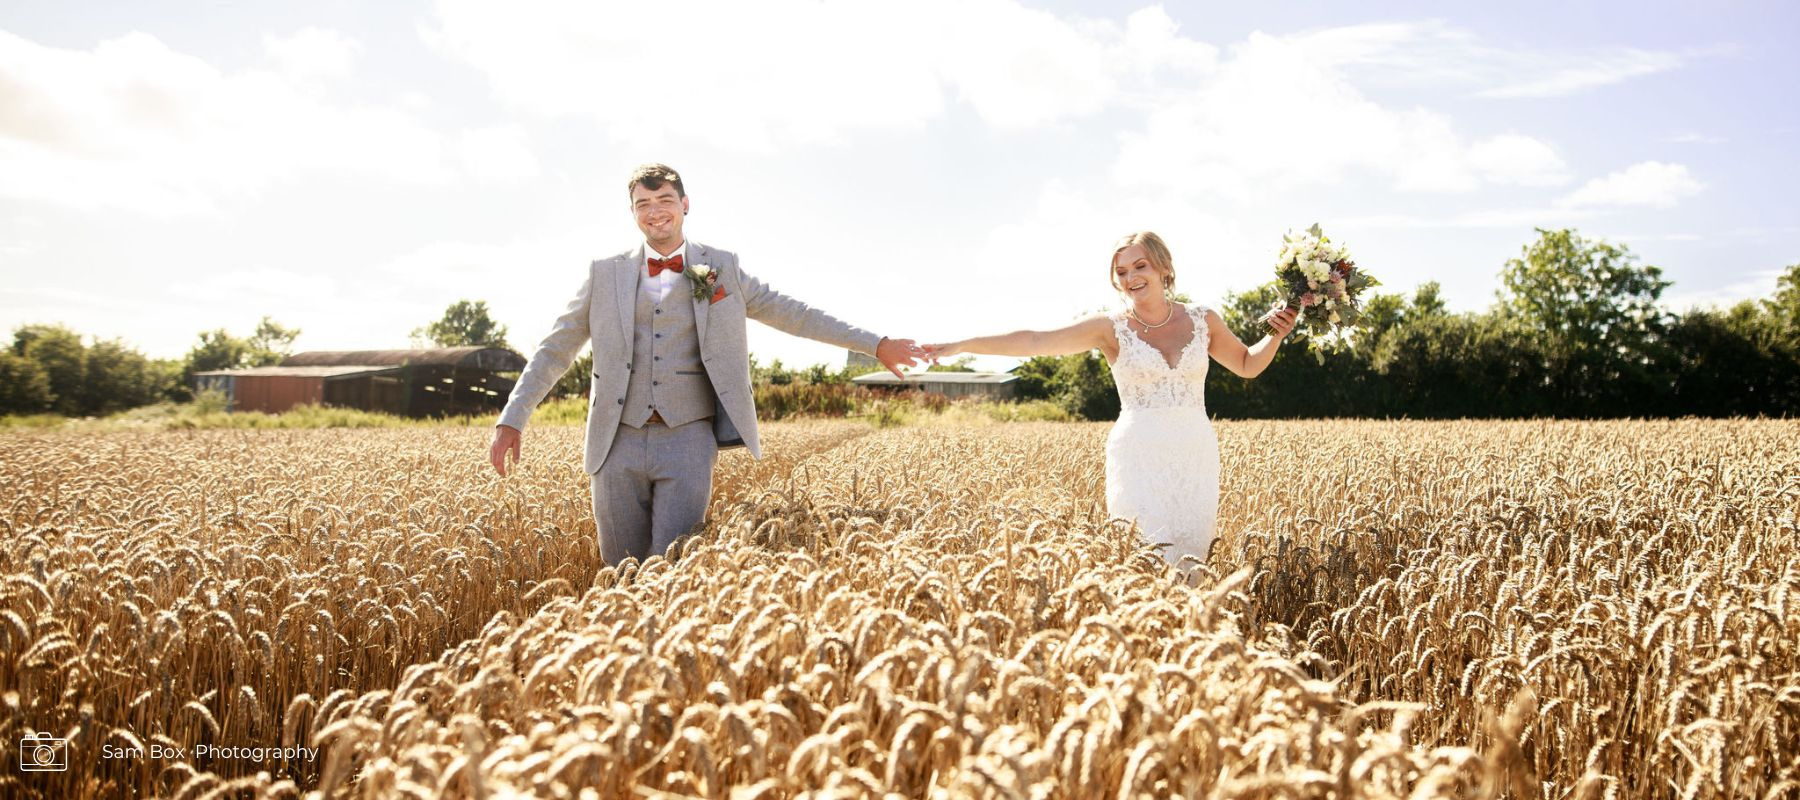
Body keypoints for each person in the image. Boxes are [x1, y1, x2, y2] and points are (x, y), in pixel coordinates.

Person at [489, 163, 923, 565]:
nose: (655, 212)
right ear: (633, 212)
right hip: (614, 442)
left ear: (685, 205)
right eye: (644, 204)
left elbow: (795, 314)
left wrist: (875, 344)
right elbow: (554, 349)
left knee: (673, 569)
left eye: (664, 201)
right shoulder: (605, 274)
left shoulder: (719, 268)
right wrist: (512, 419)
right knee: (618, 572)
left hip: (689, 442)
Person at [924, 232, 1297, 568]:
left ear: (1164, 268)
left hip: (1194, 453)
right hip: (1137, 454)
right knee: (1142, 556)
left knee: (1191, 557)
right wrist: (962, 345)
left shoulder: (1204, 319)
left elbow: (1247, 364)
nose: (1130, 278)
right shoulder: (1110, 327)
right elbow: (1037, 340)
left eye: (1140, 266)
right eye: (1121, 272)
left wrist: (1276, 336)